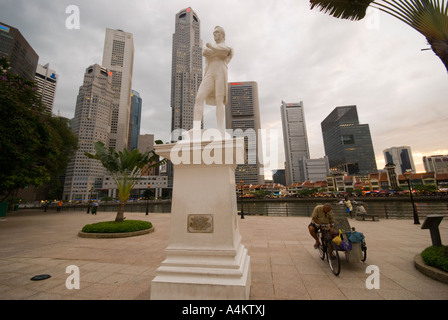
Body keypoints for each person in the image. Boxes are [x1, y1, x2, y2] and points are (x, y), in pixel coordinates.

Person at [192, 26, 233, 135]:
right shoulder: (213, 48)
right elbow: (205, 52)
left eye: (217, 33)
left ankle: (220, 129)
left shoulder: (226, 47)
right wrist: (211, 50)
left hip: (220, 72)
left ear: (222, 34)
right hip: (210, 73)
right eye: (214, 33)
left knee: (220, 101)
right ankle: (196, 128)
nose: (214, 35)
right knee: (199, 97)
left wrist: (211, 48)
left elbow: (224, 51)